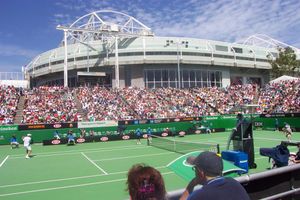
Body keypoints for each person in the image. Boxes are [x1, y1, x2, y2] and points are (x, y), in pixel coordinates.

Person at [180, 151, 250, 200]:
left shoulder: (199, 196)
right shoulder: (234, 184)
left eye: (195, 168)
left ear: (201, 172)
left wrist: (191, 185)